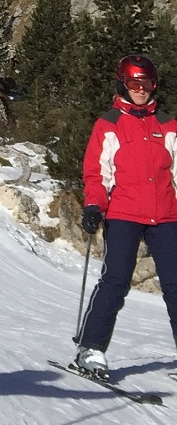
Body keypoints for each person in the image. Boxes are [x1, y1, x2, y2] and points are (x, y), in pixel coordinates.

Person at [73, 55, 177, 380]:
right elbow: (96, 173)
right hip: (124, 212)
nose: (141, 90)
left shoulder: (168, 124)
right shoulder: (110, 123)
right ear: (123, 84)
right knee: (116, 280)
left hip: (166, 214)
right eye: (135, 84)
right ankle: (91, 349)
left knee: (176, 285)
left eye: (147, 84)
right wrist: (94, 206)